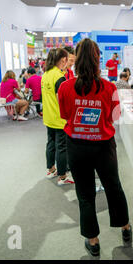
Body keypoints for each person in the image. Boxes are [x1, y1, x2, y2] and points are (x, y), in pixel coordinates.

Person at [58, 38, 131, 257]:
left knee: (85, 194)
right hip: (104, 146)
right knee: (113, 187)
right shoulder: (109, 87)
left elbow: (64, 116)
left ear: (76, 60)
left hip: (77, 147)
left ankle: (94, 241)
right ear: (99, 60)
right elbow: (116, 116)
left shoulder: (65, 87)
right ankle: (125, 228)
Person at [41, 48, 74, 186]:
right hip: (59, 119)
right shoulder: (59, 77)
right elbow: (62, 100)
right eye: (68, 59)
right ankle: (62, 176)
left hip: (48, 117)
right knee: (61, 147)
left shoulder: (46, 75)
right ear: (63, 60)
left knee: (51, 144)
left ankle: (51, 169)